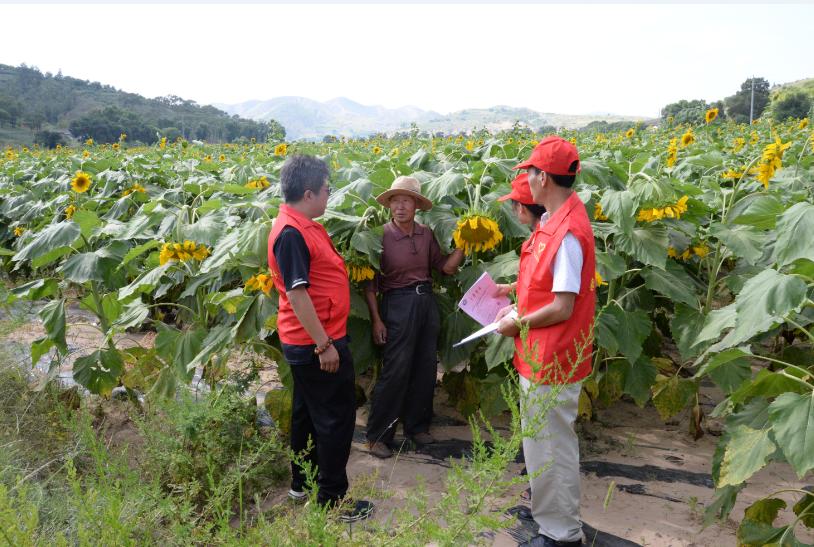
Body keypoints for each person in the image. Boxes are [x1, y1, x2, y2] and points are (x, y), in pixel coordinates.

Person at [494, 137, 596, 547]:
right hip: (542, 354)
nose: (526, 180)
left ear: (542, 178)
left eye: (529, 172)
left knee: (551, 447)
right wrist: (514, 295)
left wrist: (517, 322)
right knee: (541, 444)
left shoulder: (567, 231)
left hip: (553, 356)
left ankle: (561, 532)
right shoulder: (556, 221)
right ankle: (549, 515)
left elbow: (562, 306)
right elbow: (545, 288)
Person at [267, 155, 373, 522]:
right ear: (309, 192)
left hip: (309, 340)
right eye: (327, 190)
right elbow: (298, 294)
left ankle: (301, 482)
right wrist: (324, 345)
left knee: (307, 416)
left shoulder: (301, 225)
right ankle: (333, 499)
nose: (330, 196)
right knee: (335, 419)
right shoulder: (292, 233)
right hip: (318, 343)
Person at [364, 176, 465, 459]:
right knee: (395, 370)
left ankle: (417, 428)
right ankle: (378, 437)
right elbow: (369, 283)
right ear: (389, 205)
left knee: (424, 368)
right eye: (395, 201)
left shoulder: (425, 234)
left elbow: (445, 268)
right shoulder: (379, 236)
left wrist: (465, 244)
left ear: (417, 205)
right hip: (397, 304)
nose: (400, 206)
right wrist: (376, 319)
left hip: (426, 302)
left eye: (406, 200)